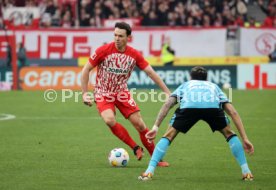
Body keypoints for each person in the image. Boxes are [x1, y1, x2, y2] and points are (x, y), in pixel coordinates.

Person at [138, 66, 254, 181]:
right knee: (229, 133)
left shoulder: (186, 84)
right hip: (212, 108)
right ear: (206, 78)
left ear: (191, 77)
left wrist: (155, 127)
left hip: (189, 107)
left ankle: (149, 172)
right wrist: (245, 138)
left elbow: (168, 104)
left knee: (169, 135)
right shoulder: (214, 86)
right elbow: (232, 112)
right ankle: (246, 172)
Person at [81, 22, 171, 166]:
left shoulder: (134, 54)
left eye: (121, 36)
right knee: (109, 120)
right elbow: (86, 70)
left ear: (128, 37)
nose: (117, 38)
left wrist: (167, 92)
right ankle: (135, 147)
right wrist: (85, 94)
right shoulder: (103, 50)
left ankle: (156, 159)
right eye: (115, 35)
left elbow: (150, 72)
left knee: (140, 125)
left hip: (122, 93)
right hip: (103, 92)